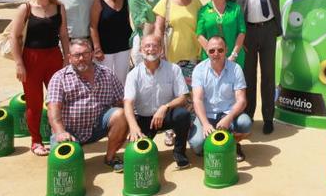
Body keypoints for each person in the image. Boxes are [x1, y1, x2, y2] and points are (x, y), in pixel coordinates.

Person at [228, 0, 326, 134]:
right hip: (247, 34)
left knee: (268, 77)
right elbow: (227, 5)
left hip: (268, 32)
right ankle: (247, 117)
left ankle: (267, 118)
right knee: (247, 78)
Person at [9, 0, 71, 156]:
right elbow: (14, 36)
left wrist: (67, 57)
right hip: (31, 58)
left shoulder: (59, 8)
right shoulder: (26, 8)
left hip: (54, 57)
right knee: (34, 103)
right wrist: (19, 63)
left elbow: (64, 35)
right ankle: (36, 141)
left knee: (57, 101)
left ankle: (58, 135)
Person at [47, 39, 128, 172]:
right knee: (64, 167)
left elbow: (122, 101)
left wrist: (129, 124)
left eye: (85, 54)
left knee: (121, 114)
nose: (81, 58)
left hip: (97, 127)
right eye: (76, 55)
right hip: (69, 131)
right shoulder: (59, 77)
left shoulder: (107, 73)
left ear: (91, 54)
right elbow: (53, 108)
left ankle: (110, 157)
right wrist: (60, 131)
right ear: (69, 57)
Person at [123, 34, 191, 169]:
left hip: (165, 116)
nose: (151, 49)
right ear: (141, 50)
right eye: (147, 46)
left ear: (161, 50)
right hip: (144, 119)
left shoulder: (173, 69)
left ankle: (179, 152)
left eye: (155, 46)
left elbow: (183, 97)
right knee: (139, 157)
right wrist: (133, 126)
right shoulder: (133, 74)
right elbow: (128, 103)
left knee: (183, 114)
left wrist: (165, 107)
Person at [188, 36, 253, 161]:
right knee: (196, 144)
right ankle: (213, 144)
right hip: (207, 115)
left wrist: (229, 118)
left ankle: (233, 144)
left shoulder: (236, 69)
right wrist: (206, 124)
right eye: (212, 51)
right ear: (206, 51)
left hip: (228, 113)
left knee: (245, 123)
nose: (216, 54)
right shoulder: (199, 70)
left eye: (220, 50)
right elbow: (197, 100)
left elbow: (242, 100)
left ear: (226, 50)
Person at [153, 0, 202, 81]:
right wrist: (160, 51)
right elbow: (158, 29)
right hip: (170, 56)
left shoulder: (196, 2)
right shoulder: (165, 2)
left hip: (193, 55)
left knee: (190, 91)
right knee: (173, 92)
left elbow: (201, 28)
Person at [90, 0, 132, 85]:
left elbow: (129, 20)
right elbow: (92, 26)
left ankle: (120, 104)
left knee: (121, 80)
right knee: (105, 81)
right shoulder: (98, 0)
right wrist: (97, 48)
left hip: (124, 46)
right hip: (105, 49)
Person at [196, 0, 246, 68]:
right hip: (210, 60)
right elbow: (199, 35)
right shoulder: (203, 11)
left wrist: (233, 55)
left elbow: (242, 32)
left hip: (234, 59)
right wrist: (213, 54)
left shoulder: (235, 9)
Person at [128, 0, 163, 67]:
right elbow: (139, 21)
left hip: (157, 37)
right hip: (143, 38)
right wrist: (157, 28)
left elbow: (161, 12)